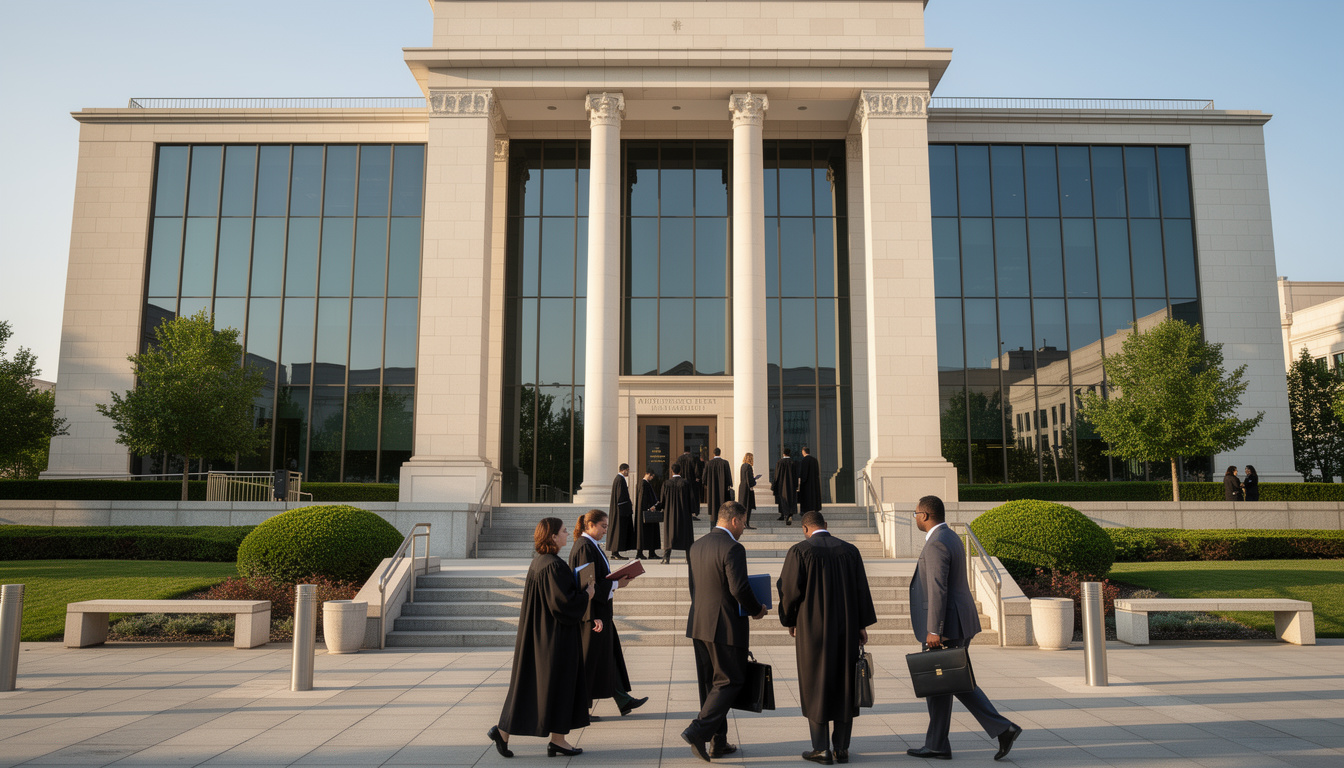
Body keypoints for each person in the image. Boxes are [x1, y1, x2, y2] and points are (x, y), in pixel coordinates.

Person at [907, 496, 1021, 762]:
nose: (914, 518)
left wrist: (934, 629)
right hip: (958, 621)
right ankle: (937, 744)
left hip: (946, 626)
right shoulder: (951, 537)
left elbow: (937, 589)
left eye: (915, 513)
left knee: (954, 681)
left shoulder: (936, 543)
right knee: (944, 683)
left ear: (924, 515)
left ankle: (1003, 728)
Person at [489, 517, 595, 759]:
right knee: (556, 685)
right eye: (564, 532)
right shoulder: (553, 566)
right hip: (554, 638)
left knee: (533, 687)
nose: (568, 534)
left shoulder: (540, 563)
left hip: (541, 634)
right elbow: (563, 604)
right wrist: (586, 594)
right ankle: (550, 739)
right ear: (553, 537)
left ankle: (519, 734)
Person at [778, 510, 878, 765]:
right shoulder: (850, 550)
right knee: (846, 683)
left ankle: (821, 748)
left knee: (815, 684)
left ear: (805, 528)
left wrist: (790, 620)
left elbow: (789, 591)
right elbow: (860, 589)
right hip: (846, 628)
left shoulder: (800, 551)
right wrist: (861, 625)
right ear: (826, 525)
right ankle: (842, 748)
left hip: (811, 630)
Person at [681, 501, 768, 763]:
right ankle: (698, 731)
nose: (743, 528)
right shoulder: (733, 547)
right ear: (734, 521)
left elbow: (693, 587)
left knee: (710, 684)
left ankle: (718, 742)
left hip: (699, 623)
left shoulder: (696, 545)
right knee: (730, 680)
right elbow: (739, 588)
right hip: (726, 625)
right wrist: (756, 610)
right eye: (743, 522)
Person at [569, 509, 648, 718]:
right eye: (603, 526)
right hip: (593, 615)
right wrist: (615, 584)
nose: (606, 530)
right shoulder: (585, 547)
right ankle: (579, 710)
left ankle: (623, 700)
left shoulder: (590, 545)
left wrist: (616, 581)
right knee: (590, 661)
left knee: (607, 656)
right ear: (590, 525)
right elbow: (586, 583)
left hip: (599, 612)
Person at [657, 461, 698, 564]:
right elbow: (691, 498)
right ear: (680, 471)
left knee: (669, 534)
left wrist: (658, 507)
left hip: (670, 514)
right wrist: (693, 510)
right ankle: (689, 558)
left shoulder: (666, 483)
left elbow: (662, 500)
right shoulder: (685, 483)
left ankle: (666, 558)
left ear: (672, 471)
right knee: (686, 535)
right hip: (684, 513)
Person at [607, 464, 635, 560]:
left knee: (618, 531)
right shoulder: (620, 479)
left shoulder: (618, 479)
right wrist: (627, 507)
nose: (628, 472)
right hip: (620, 511)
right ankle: (615, 553)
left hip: (618, 510)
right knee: (618, 531)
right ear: (623, 470)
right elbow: (621, 496)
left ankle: (615, 552)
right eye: (628, 470)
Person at [703, 448, 735, 528]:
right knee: (723, 506)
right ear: (720, 453)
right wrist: (730, 484)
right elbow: (728, 476)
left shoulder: (709, 463)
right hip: (722, 489)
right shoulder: (725, 463)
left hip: (712, 489)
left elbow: (704, 477)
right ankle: (723, 526)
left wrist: (706, 484)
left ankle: (713, 527)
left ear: (713, 454)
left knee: (713, 507)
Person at [635, 470, 661, 560]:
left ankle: (651, 552)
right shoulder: (643, 484)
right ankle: (642, 553)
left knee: (649, 533)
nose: (652, 478)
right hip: (646, 512)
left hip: (645, 511)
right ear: (648, 474)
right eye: (652, 476)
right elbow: (643, 498)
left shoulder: (643, 483)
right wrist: (649, 507)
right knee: (645, 533)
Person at [772, 448, 799, 525]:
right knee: (791, 500)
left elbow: (777, 475)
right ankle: (790, 514)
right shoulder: (793, 463)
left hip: (782, 485)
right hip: (791, 485)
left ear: (783, 453)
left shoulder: (780, 462)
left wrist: (774, 485)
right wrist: (796, 485)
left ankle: (783, 515)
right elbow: (796, 475)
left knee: (782, 500)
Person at [738, 452, 761, 530]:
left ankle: (743, 524)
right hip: (747, 489)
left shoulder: (742, 466)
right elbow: (749, 479)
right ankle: (746, 523)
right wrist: (753, 482)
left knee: (743, 506)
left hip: (742, 487)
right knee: (748, 506)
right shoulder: (748, 467)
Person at [798, 446, 822, 515]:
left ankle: (805, 510)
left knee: (806, 497)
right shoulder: (815, 460)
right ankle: (815, 508)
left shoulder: (804, 460)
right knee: (814, 496)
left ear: (803, 452)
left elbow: (803, 473)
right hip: (814, 483)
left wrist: (802, 481)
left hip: (806, 484)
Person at [678, 445, 701, 517]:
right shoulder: (693, 458)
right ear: (689, 451)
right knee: (692, 496)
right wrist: (697, 477)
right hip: (691, 480)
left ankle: (683, 511)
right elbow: (696, 469)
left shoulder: (679, 459)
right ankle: (693, 512)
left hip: (681, 480)